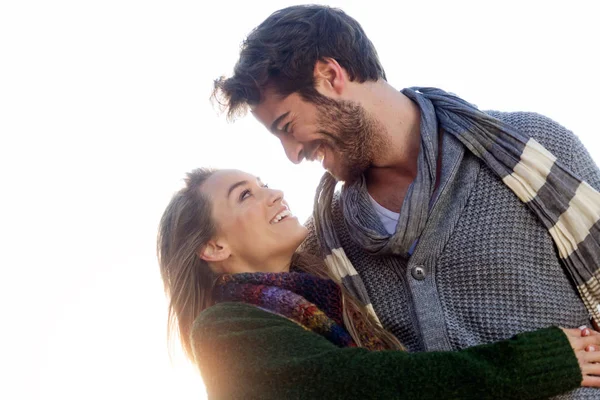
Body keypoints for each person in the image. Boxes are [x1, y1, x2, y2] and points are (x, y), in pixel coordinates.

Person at [212, 6, 600, 398]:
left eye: (287, 126)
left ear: (330, 76)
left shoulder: (535, 149)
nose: (292, 154)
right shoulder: (324, 246)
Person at [157, 167, 600, 399]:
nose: (274, 194)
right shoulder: (222, 329)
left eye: (264, 183)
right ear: (213, 247)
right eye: (245, 195)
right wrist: (533, 363)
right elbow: (365, 385)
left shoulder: (330, 299)